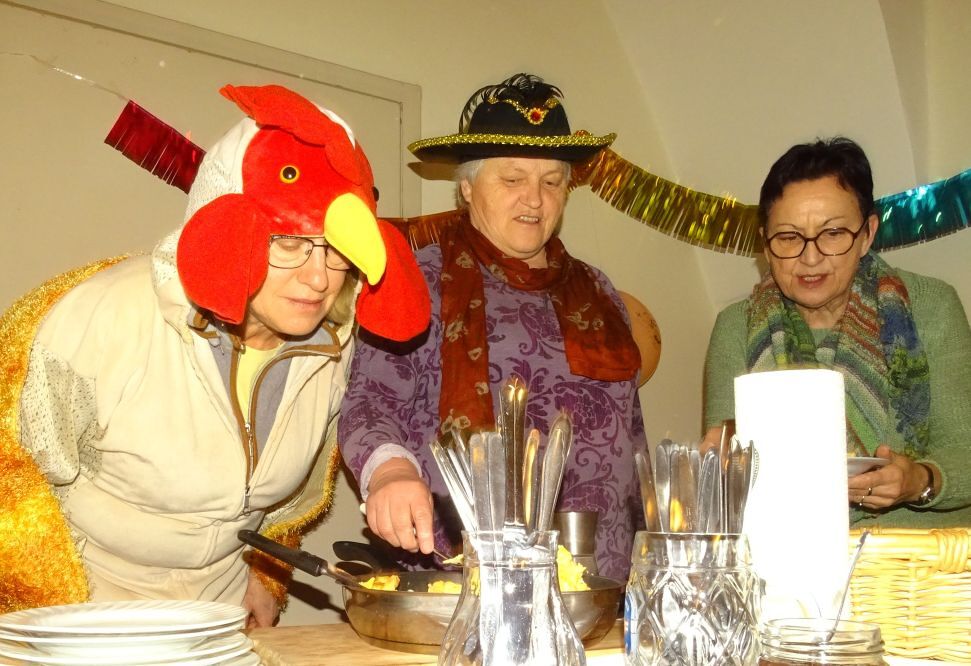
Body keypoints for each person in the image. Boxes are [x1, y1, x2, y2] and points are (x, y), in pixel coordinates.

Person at [13, 84, 429, 624]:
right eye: (289, 243)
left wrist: (265, 574)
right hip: (89, 607)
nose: (319, 277)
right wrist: (47, 616)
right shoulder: (107, 314)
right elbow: (13, 472)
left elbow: (290, 499)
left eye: (335, 251)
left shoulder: (332, 347)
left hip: (221, 615)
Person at [338, 73, 649, 581]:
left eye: (552, 182)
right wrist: (390, 471)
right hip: (462, 577)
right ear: (466, 187)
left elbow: (632, 437)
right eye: (512, 179)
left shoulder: (598, 291)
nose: (535, 199)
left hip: (602, 581)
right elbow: (371, 401)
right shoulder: (417, 278)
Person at [703, 137, 971, 525]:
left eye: (833, 234)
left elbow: (964, 450)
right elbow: (725, 474)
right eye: (789, 237)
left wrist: (919, 481)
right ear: (765, 243)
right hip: (787, 551)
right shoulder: (736, 327)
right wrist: (718, 468)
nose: (810, 258)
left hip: (917, 555)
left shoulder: (930, 306)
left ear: (867, 234)